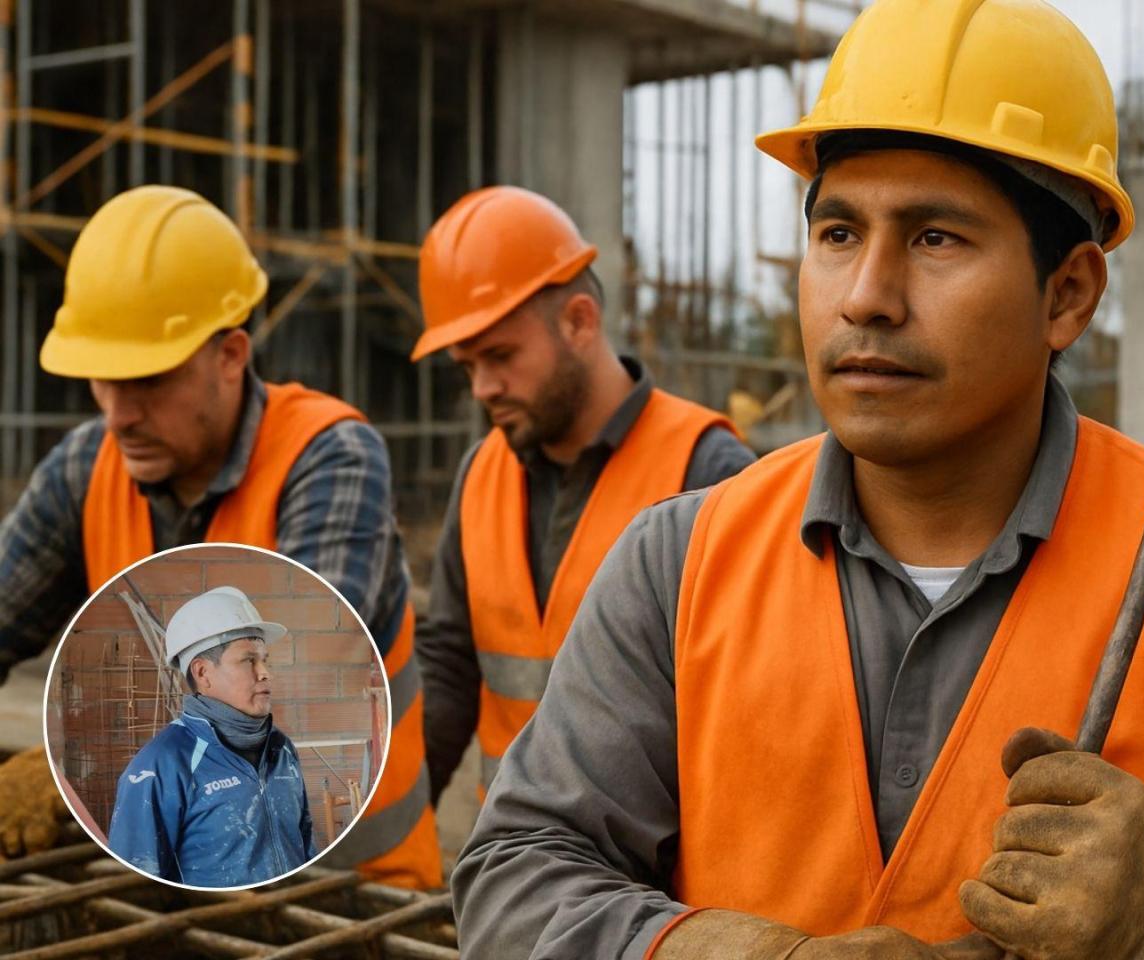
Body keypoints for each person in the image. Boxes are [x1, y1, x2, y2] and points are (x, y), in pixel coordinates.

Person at [452, 1, 1144, 957]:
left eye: (935, 238)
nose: (866, 297)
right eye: (838, 234)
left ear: (1068, 293)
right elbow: (517, 872)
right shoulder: (681, 564)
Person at [0, 185, 440, 888]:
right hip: (173, 892)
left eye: (146, 380)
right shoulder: (87, 468)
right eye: (102, 381)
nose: (118, 414)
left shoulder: (329, 458)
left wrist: (61, 773)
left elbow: (291, 685)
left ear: (231, 355)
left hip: (350, 897)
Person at [410, 186, 753, 802]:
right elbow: (449, 669)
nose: (483, 388)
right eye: (467, 367)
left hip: (644, 862)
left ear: (579, 321)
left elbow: (747, 711)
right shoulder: (480, 473)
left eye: (500, 356)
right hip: (510, 852)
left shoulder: (708, 470)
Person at [110, 587, 314, 887]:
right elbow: (133, 888)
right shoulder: (159, 767)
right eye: (248, 661)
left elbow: (306, 847)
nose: (265, 673)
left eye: (264, 660)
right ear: (203, 673)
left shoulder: (281, 749)